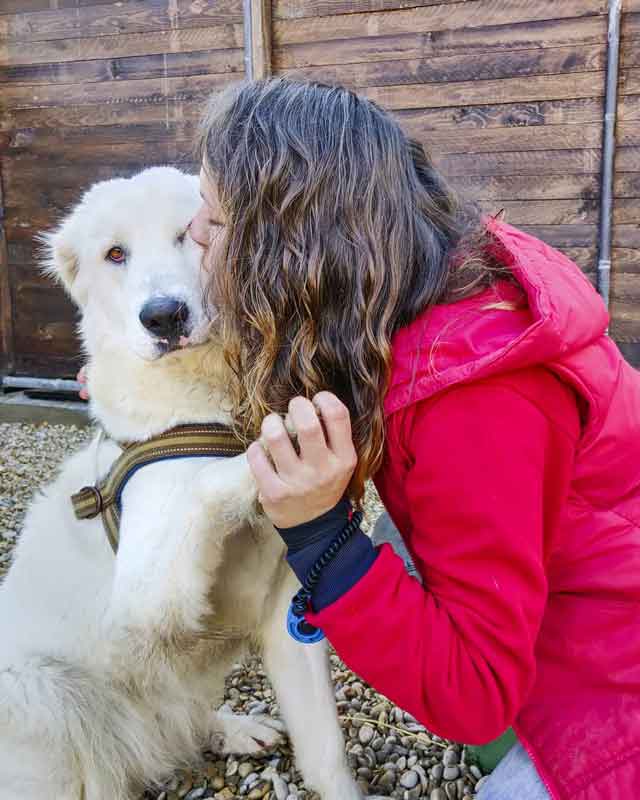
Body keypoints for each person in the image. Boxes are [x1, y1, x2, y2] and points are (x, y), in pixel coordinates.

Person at [85, 77, 637, 799]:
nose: (196, 234)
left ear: (290, 255)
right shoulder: (416, 275)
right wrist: (136, 378)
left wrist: (323, 539)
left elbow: (473, 695)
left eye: (215, 225)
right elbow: (299, 354)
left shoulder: (477, 400)